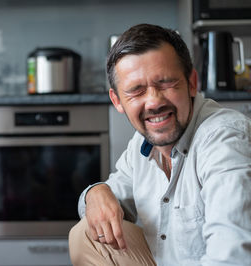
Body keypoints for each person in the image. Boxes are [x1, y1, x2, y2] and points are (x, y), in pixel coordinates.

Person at [69, 23, 251, 265]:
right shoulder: (142, 143)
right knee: (85, 234)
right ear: (117, 100)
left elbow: (233, 258)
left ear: (192, 83)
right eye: (136, 90)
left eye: (166, 83)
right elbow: (111, 201)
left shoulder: (224, 139)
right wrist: (95, 193)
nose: (153, 102)